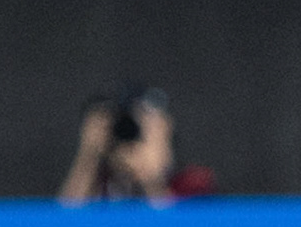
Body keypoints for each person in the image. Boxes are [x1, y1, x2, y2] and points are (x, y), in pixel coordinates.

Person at [58, 85, 216, 205]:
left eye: (146, 126)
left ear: (166, 128)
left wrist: (151, 179)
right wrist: (89, 154)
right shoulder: (101, 185)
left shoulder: (194, 182)